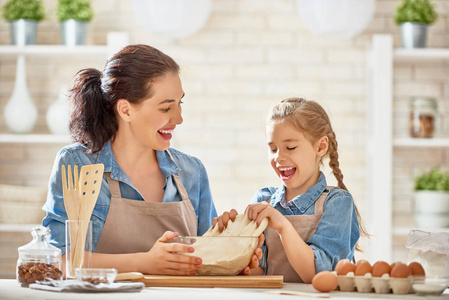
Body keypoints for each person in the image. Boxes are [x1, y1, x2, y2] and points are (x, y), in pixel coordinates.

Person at [42, 44, 220, 276]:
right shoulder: (77, 164)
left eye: (179, 104)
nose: (179, 118)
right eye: (166, 108)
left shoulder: (191, 171)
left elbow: (208, 261)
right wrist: (144, 263)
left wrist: (241, 259)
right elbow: (58, 260)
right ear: (126, 110)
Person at [214, 98, 367, 283]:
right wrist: (228, 244)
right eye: (272, 149)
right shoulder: (264, 199)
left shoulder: (337, 203)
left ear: (320, 147)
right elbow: (256, 273)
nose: (279, 157)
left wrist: (282, 225)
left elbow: (319, 275)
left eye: (290, 147)